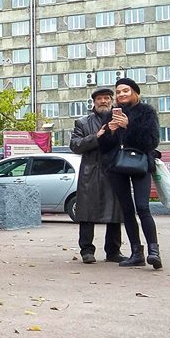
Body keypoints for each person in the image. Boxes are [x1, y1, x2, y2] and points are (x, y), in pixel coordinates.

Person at [98, 77, 163, 269]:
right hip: (117, 166)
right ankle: (136, 252)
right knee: (127, 209)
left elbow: (151, 142)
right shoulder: (111, 115)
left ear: (135, 92)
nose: (121, 95)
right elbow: (105, 148)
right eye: (118, 92)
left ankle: (154, 251)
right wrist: (108, 132)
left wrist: (129, 126)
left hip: (140, 164)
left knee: (143, 207)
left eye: (125, 91)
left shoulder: (147, 112)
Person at [69, 88, 124, 264]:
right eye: (99, 99)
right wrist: (96, 136)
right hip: (90, 172)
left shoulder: (120, 120)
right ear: (94, 102)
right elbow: (75, 145)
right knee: (87, 213)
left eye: (107, 98)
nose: (103, 101)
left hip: (113, 171)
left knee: (115, 213)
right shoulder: (83, 123)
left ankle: (113, 251)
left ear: (111, 101)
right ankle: (86, 250)